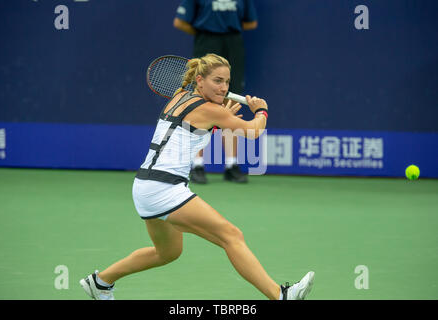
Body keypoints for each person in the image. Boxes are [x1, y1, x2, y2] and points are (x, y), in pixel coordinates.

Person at [79, 54, 314, 300]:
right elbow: (254, 132)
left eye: (226, 82)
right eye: (217, 81)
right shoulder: (211, 109)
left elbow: (195, 128)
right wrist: (261, 110)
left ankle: (101, 282)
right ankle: (280, 296)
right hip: (164, 188)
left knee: (167, 252)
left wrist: (219, 120)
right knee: (231, 235)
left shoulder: (179, 97)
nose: (223, 87)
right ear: (200, 81)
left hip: (144, 186)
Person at [173, 0, 258, 184]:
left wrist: (224, 29)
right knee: (199, 102)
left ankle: (231, 165)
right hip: (206, 42)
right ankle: (196, 165)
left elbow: (251, 22)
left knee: (231, 102)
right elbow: (180, 22)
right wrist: (207, 31)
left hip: (232, 44)